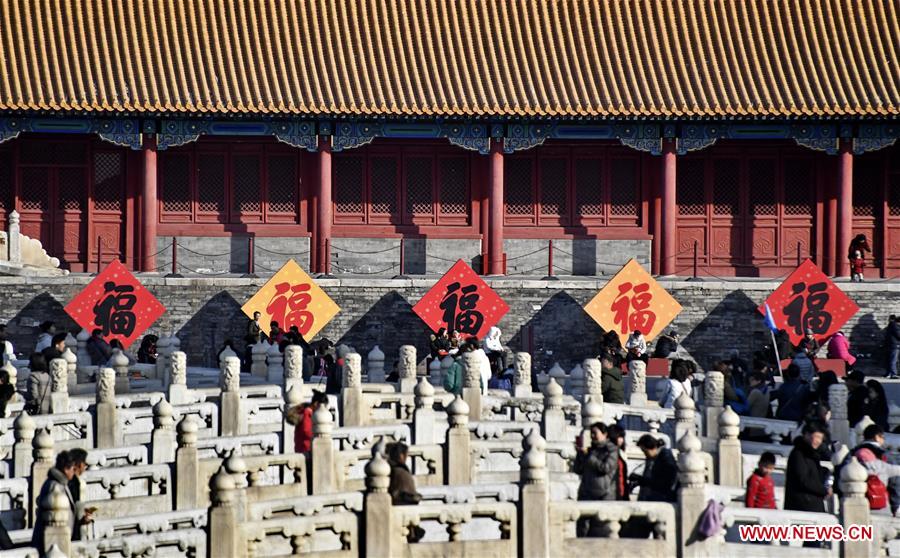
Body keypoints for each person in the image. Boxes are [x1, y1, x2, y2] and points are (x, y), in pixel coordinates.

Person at [31, 450, 94, 550]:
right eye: (73, 469)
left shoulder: (60, 484)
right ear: (66, 469)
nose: (74, 472)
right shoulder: (55, 487)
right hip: (54, 543)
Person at [573, 422, 619, 536]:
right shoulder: (590, 450)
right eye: (591, 434)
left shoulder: (611, 450)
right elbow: (578, 470)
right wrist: (580, 454)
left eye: (595, 433)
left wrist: (590, 457)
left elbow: (605, 468)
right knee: (582, 528)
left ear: (605, 434)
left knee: (599, 530)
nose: (592, 436)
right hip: (586, 493)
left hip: (603, 495)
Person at [851, 424, 900, 515]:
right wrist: (896, 505)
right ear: (877, 437)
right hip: (879, 499)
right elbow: (895, 481)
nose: (883, 441)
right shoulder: (884, 455)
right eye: (883, 438)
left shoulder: (853, 452)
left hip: (855, 499)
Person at [784, 422, 829, 514]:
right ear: (807, 435)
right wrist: (824, 490)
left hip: (813, 504)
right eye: (816, 437)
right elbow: (803, 480)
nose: (818, 441)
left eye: (820, 438)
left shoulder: (813, 454)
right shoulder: (798, 454)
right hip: (802, 505)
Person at [387, 442, 425, 541]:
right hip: (402, 512)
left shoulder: (392, 469)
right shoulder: (400, 472)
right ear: (401, 455)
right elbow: (399, 494)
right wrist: (414, 497)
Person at [631, 435, 678, 503]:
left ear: (651, 447)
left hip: (663, 498)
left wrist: (642, 480)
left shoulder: (665, 457)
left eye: (645, 451)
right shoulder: (655, 458)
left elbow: (664, 482)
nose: (645, 454)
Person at [607, 424, 629, 501]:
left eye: (622, 437)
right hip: (611, 494)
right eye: (619, 437)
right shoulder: (607, 453)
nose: (621, 440)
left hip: (621, 493)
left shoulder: (621, 454)